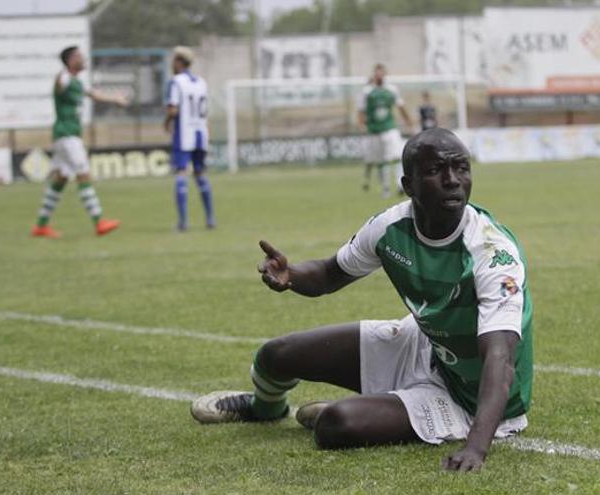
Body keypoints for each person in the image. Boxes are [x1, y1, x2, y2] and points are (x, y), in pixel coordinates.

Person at [191, 128, 533, 472]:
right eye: (434, 171)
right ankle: (263, 409)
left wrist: (475, 448)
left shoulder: (492, 252)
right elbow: (329, 273)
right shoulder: (391, 228)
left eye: (461, 168)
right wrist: (291, 275)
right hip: (425, 346)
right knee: (275, 355)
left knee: (336, 424)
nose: (452, 180)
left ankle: (371, 411)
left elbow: (501, 359)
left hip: (470, 398)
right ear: (408, 184)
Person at [31, 46, 127, 238]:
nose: (83, 59)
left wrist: (115, 99)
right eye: (78, 56)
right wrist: (61, 77)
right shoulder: (64, 77)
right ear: (70, 60)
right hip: (67, 136)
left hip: (67, 135)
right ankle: (99, 221)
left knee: (61, 178)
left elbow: (93, 94)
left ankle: (41, 225)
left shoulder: (76, 82)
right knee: (83, 173)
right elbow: (59, 85)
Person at [164, 46, 215, 231]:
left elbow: (173, 109)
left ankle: (183, 222)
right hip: (201, 134)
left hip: (184, 134)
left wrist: (167, 122)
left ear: (178, 61)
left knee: (181, 173)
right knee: (200, 174)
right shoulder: (201, 82)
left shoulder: (176, 82)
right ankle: (210, 219)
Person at [358, 64, 413, 198]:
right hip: (374, 131)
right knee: (381, 161)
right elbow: (360, 111)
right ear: (374, 75)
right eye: (377, 73)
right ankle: (386, 189)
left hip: (390, 129)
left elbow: (401, 106)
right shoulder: (367, 92)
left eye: (382, 73)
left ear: (385, 74)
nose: (380, 75)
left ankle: (400, 184)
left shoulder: (391, 90)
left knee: (399, 156)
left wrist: (409, 121)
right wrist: (362, 125)